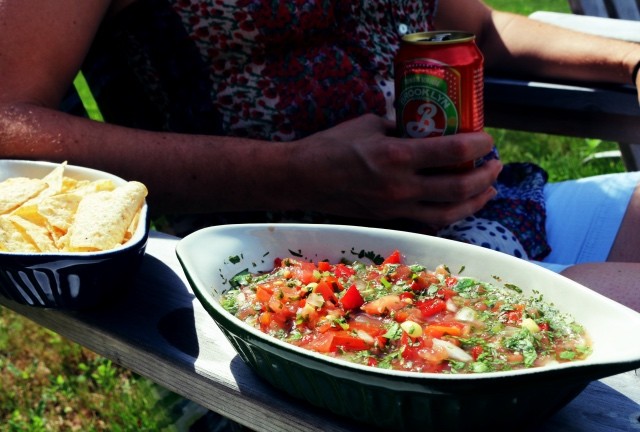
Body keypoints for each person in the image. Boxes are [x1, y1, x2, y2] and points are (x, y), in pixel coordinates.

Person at [1, 0, 639, 313]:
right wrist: (298, 172)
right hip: (286, 272)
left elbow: (473, 25)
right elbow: (8, 119)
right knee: (612, 300)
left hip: (482, 216)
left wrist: (628, 58)